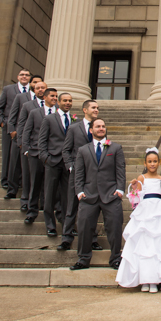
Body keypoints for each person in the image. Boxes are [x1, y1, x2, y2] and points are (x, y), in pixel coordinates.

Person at [71, 118, 126, 271]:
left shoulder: (116, 148)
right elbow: (79, 173)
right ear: (91, 130)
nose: (101, 128)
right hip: (89, 196)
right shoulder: (83, 150)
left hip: (111, 195)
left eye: (103, 126)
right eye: (97, 126)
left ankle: (116, 258)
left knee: (114, 228)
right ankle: (83, 259)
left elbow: (120, 170)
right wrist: (80, 192)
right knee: (84, 229)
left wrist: (120, 190)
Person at [116, 148, 161, 292]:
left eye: (155, 161)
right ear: (145, 163)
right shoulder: (142, 178)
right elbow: (135, 197)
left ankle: (153, 281)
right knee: (143, 245)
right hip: (145, 211)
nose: (152, 164)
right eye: (149, 161)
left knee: (154, 246)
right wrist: (133, 187)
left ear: (158, 162)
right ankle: (143, 279)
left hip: (157, 211)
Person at [58, 100, 101, 253]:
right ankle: (66, 238)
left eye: (97, 108)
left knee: (93, 208)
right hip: (77, 173)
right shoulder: (74, 128)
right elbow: (66, 150)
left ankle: (93, 239)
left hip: (94, 175)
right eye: (93, 108)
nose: (96, 110)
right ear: (85, 110)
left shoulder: (100, 127)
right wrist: (70, 167)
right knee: (72, 207)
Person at [38, 91, 74, 237]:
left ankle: (67, 225)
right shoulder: (49, 119)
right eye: (65, 100)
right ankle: (50, 225)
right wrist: (45, 158)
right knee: (50, 194)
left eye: (70, 101)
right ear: (58, 102)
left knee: (67, 196)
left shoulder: (74, 119)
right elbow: (42, 140)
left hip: (68, 164)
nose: (67, 103)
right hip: (52, 161)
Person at [5, 75, 43, 208]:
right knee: (16, 166)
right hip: (23, 140)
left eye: (42, 86)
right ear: (32, 85)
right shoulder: (23, 99)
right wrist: (15, 134)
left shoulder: (50, 105)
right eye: (36, 85)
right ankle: (13, 190)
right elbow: (15, 117)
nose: (39, 88)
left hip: (39, 144)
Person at [20, 85, 52, 224]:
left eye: (56, 97)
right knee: (35, 182)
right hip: (35, 152)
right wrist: (26, 149)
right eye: (52, 96)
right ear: (45, 98)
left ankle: (47, 208)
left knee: (49, 184)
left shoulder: (59, 114)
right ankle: (31, 210)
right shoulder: (34, 112)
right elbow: (27, 131)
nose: (55, 99)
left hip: (52, 154)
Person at [0, 69, 30, 191]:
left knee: (21, 156)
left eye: (27, 75)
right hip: (10, 127)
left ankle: (19, 180)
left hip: (25, 128)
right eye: (22, 75)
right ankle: (5, 179)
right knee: (7, 154)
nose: (24, 77)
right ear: (18, 77)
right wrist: (2, 123)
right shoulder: (8, 89)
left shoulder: (32, 91)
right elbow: (0, 107)